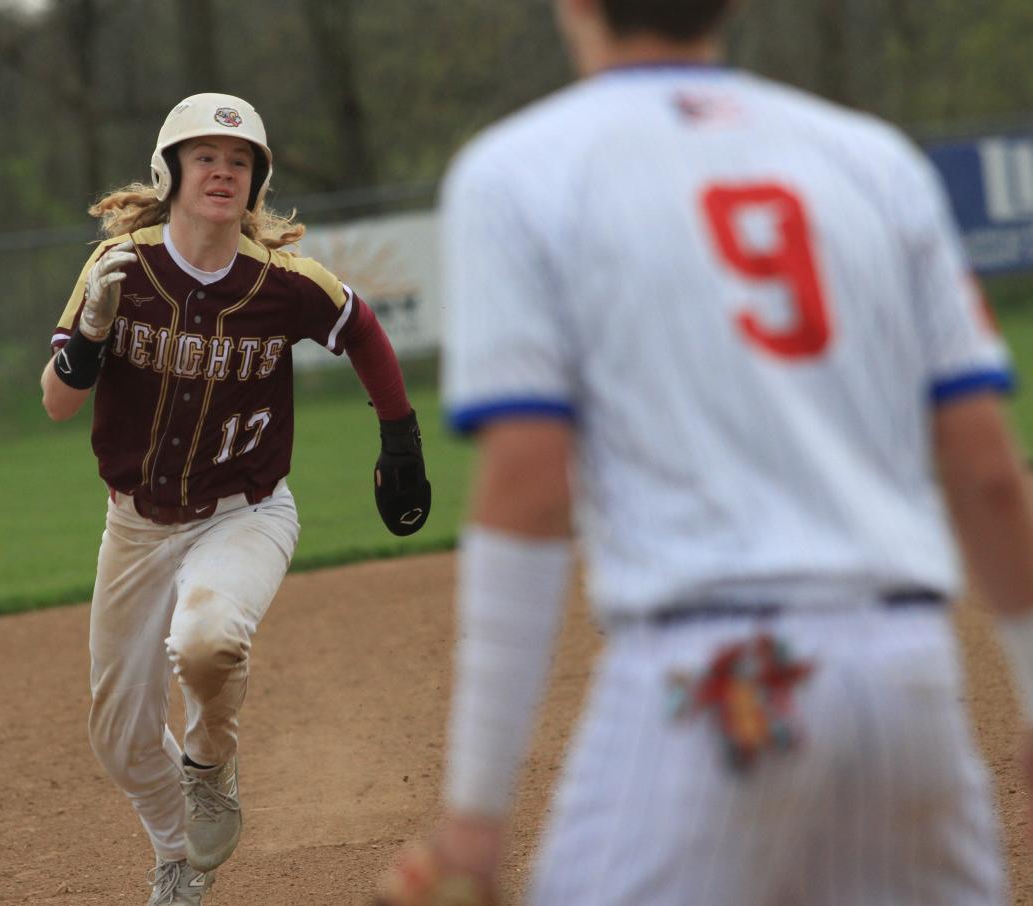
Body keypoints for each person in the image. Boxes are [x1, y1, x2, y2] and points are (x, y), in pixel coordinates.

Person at [377, 1, 1033, 904]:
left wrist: (475, 819)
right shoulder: (873, 159)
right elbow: (989, 472)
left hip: (715, 684)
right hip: (908, 680)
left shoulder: (520, 170)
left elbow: (530, 489)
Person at [40, 92, 431, 906]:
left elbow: (361, 328)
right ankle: (176, 857)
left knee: (210, 641)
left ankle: (211, 763)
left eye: (240, 161)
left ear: (256, 182)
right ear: (170, 171)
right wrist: (90, 337)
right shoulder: (120, 269)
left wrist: (400, 441)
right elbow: (57, 401)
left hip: (245, 514)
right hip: (135, 527)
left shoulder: (281, 283)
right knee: (117, 740)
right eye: (206, 157)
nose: (223, 171)